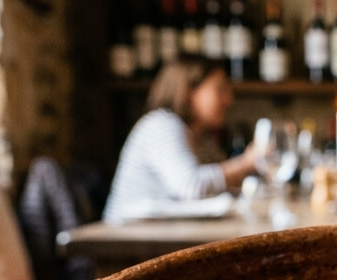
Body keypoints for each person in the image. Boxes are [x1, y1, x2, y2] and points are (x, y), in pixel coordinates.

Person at [103, 60, 261, 222]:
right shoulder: (160, 124)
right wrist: (246, 163)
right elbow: (191, 186)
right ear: (188, 91)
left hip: (159, 232)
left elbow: (219, 187)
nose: (229, 99)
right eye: (220, 89)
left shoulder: (202, 137)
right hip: (123, 234)